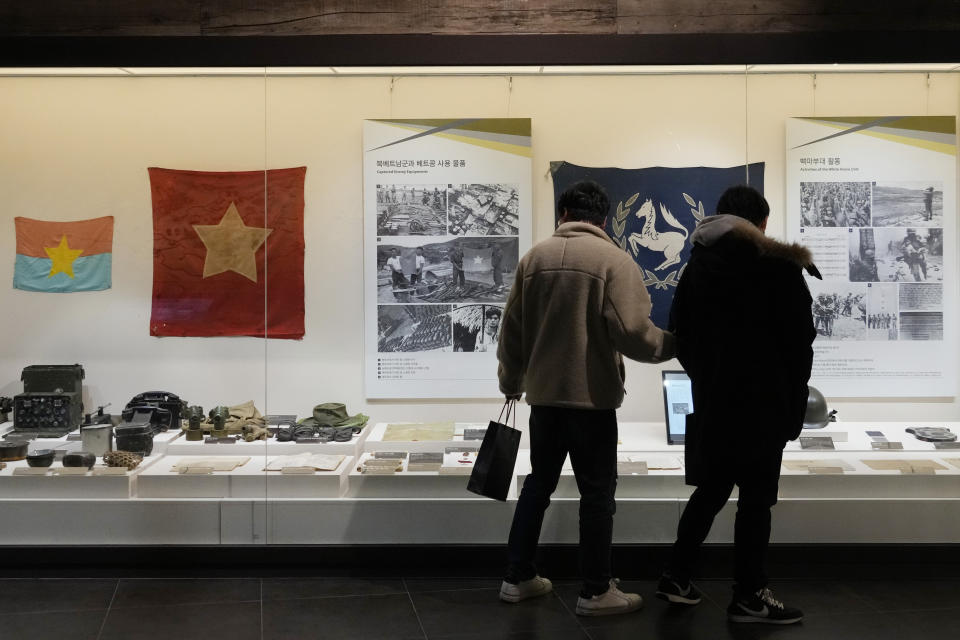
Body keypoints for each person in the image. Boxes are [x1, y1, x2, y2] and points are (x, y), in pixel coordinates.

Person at [497, 180, 675, 616]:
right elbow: (633, 332)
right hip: (591, 400)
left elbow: (512, 332)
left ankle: (516, 577)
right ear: (603, 219)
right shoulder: (613, 260)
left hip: (543, 398)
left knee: (538, 486)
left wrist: (511, 382)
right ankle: (596, 590)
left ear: (562, 213)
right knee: (596, 495)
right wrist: (673, 347)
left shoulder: (533, 259)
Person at [657, 185, 817, 625]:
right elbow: (799, 342)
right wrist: (794, 400)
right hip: (765, 404)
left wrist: (708, 378)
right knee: (756, 501)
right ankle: (749, 596)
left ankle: (676, 575)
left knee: (711, 489)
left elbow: (681, 336)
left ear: (720, 217)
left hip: (716, 402)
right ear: (762, 223)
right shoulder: (780, 267)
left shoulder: (698, 265)